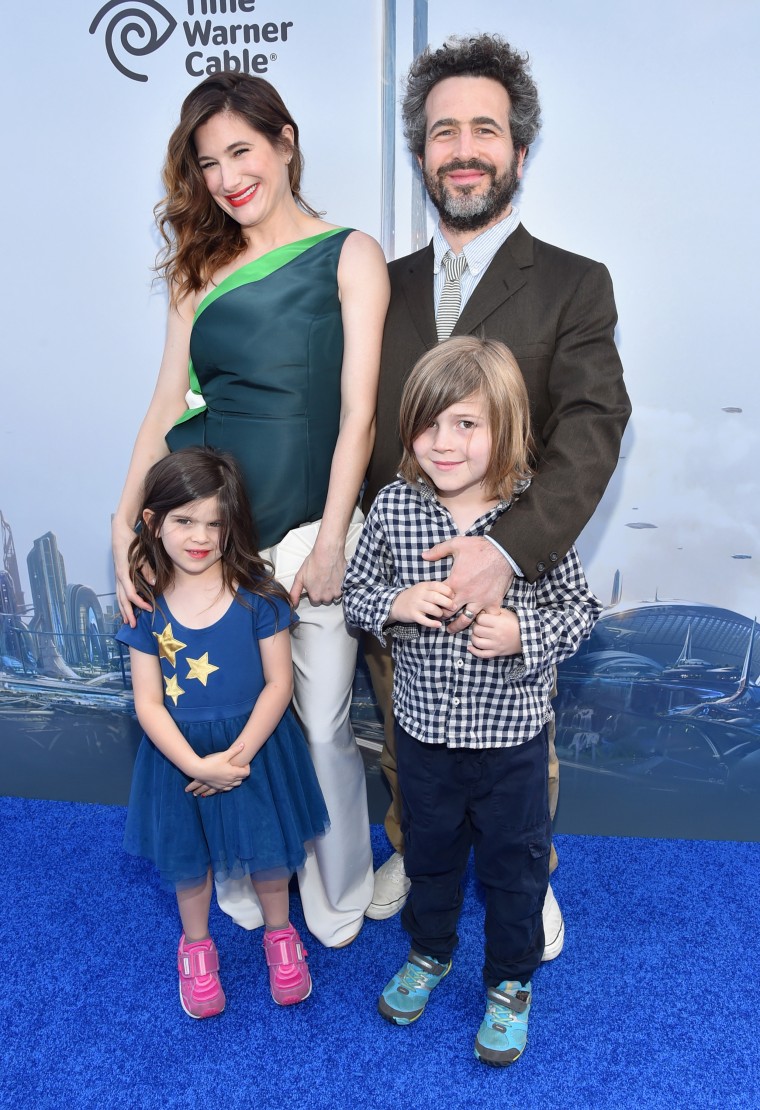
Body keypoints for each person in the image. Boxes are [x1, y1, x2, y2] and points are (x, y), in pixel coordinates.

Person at [362, 34, 631, 947]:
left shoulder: (574, 286)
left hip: (515, 572)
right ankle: (418, 845)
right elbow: (357, 426)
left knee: (521, 754)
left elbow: (592, 431)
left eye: (486, 129)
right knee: (408, 739)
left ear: (519, 150)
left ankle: (528, 871)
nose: (464, 149)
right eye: (444, 132)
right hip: (404, 569)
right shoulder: (379, 288)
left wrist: (506, 551)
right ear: (422, 153)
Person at [112, 72, 389, 948]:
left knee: (321, 723)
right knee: (232, 720)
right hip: (212, 544)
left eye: (241, 150)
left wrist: (334, 537)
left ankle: (339, 888)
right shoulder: (199, 271)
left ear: (285, 140)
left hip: (312, 531)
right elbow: (164, 409)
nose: (229, 176)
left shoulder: (351, 253)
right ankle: (247, 878)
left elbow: (360, 413)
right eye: (209, 163)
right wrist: (127, 527)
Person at [344, 337, 601, 1064]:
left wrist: (522, 629)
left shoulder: (532, 518)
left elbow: (580, 610)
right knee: (429, 854)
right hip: (423, 738)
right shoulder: (394, 510)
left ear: (506, 429)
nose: (443, 443)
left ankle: (511, 984)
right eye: (429, 423)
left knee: (515, 869)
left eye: (466, 424)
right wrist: (399, 601)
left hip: (513, 743)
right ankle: (430, 952)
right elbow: (357, 600)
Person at [117, 447, 330, 1016]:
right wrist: (197, 765)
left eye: (215, 521)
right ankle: (196, 947)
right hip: (178, 758)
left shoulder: (258, 594)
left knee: (268, 851)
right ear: (153, 522)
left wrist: (234, 759)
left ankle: (281, 937)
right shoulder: (146, 607)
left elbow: (278, 685)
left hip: (255, 749)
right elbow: (148, 703)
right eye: (185, 520)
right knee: (189, 861)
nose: (200, 536)